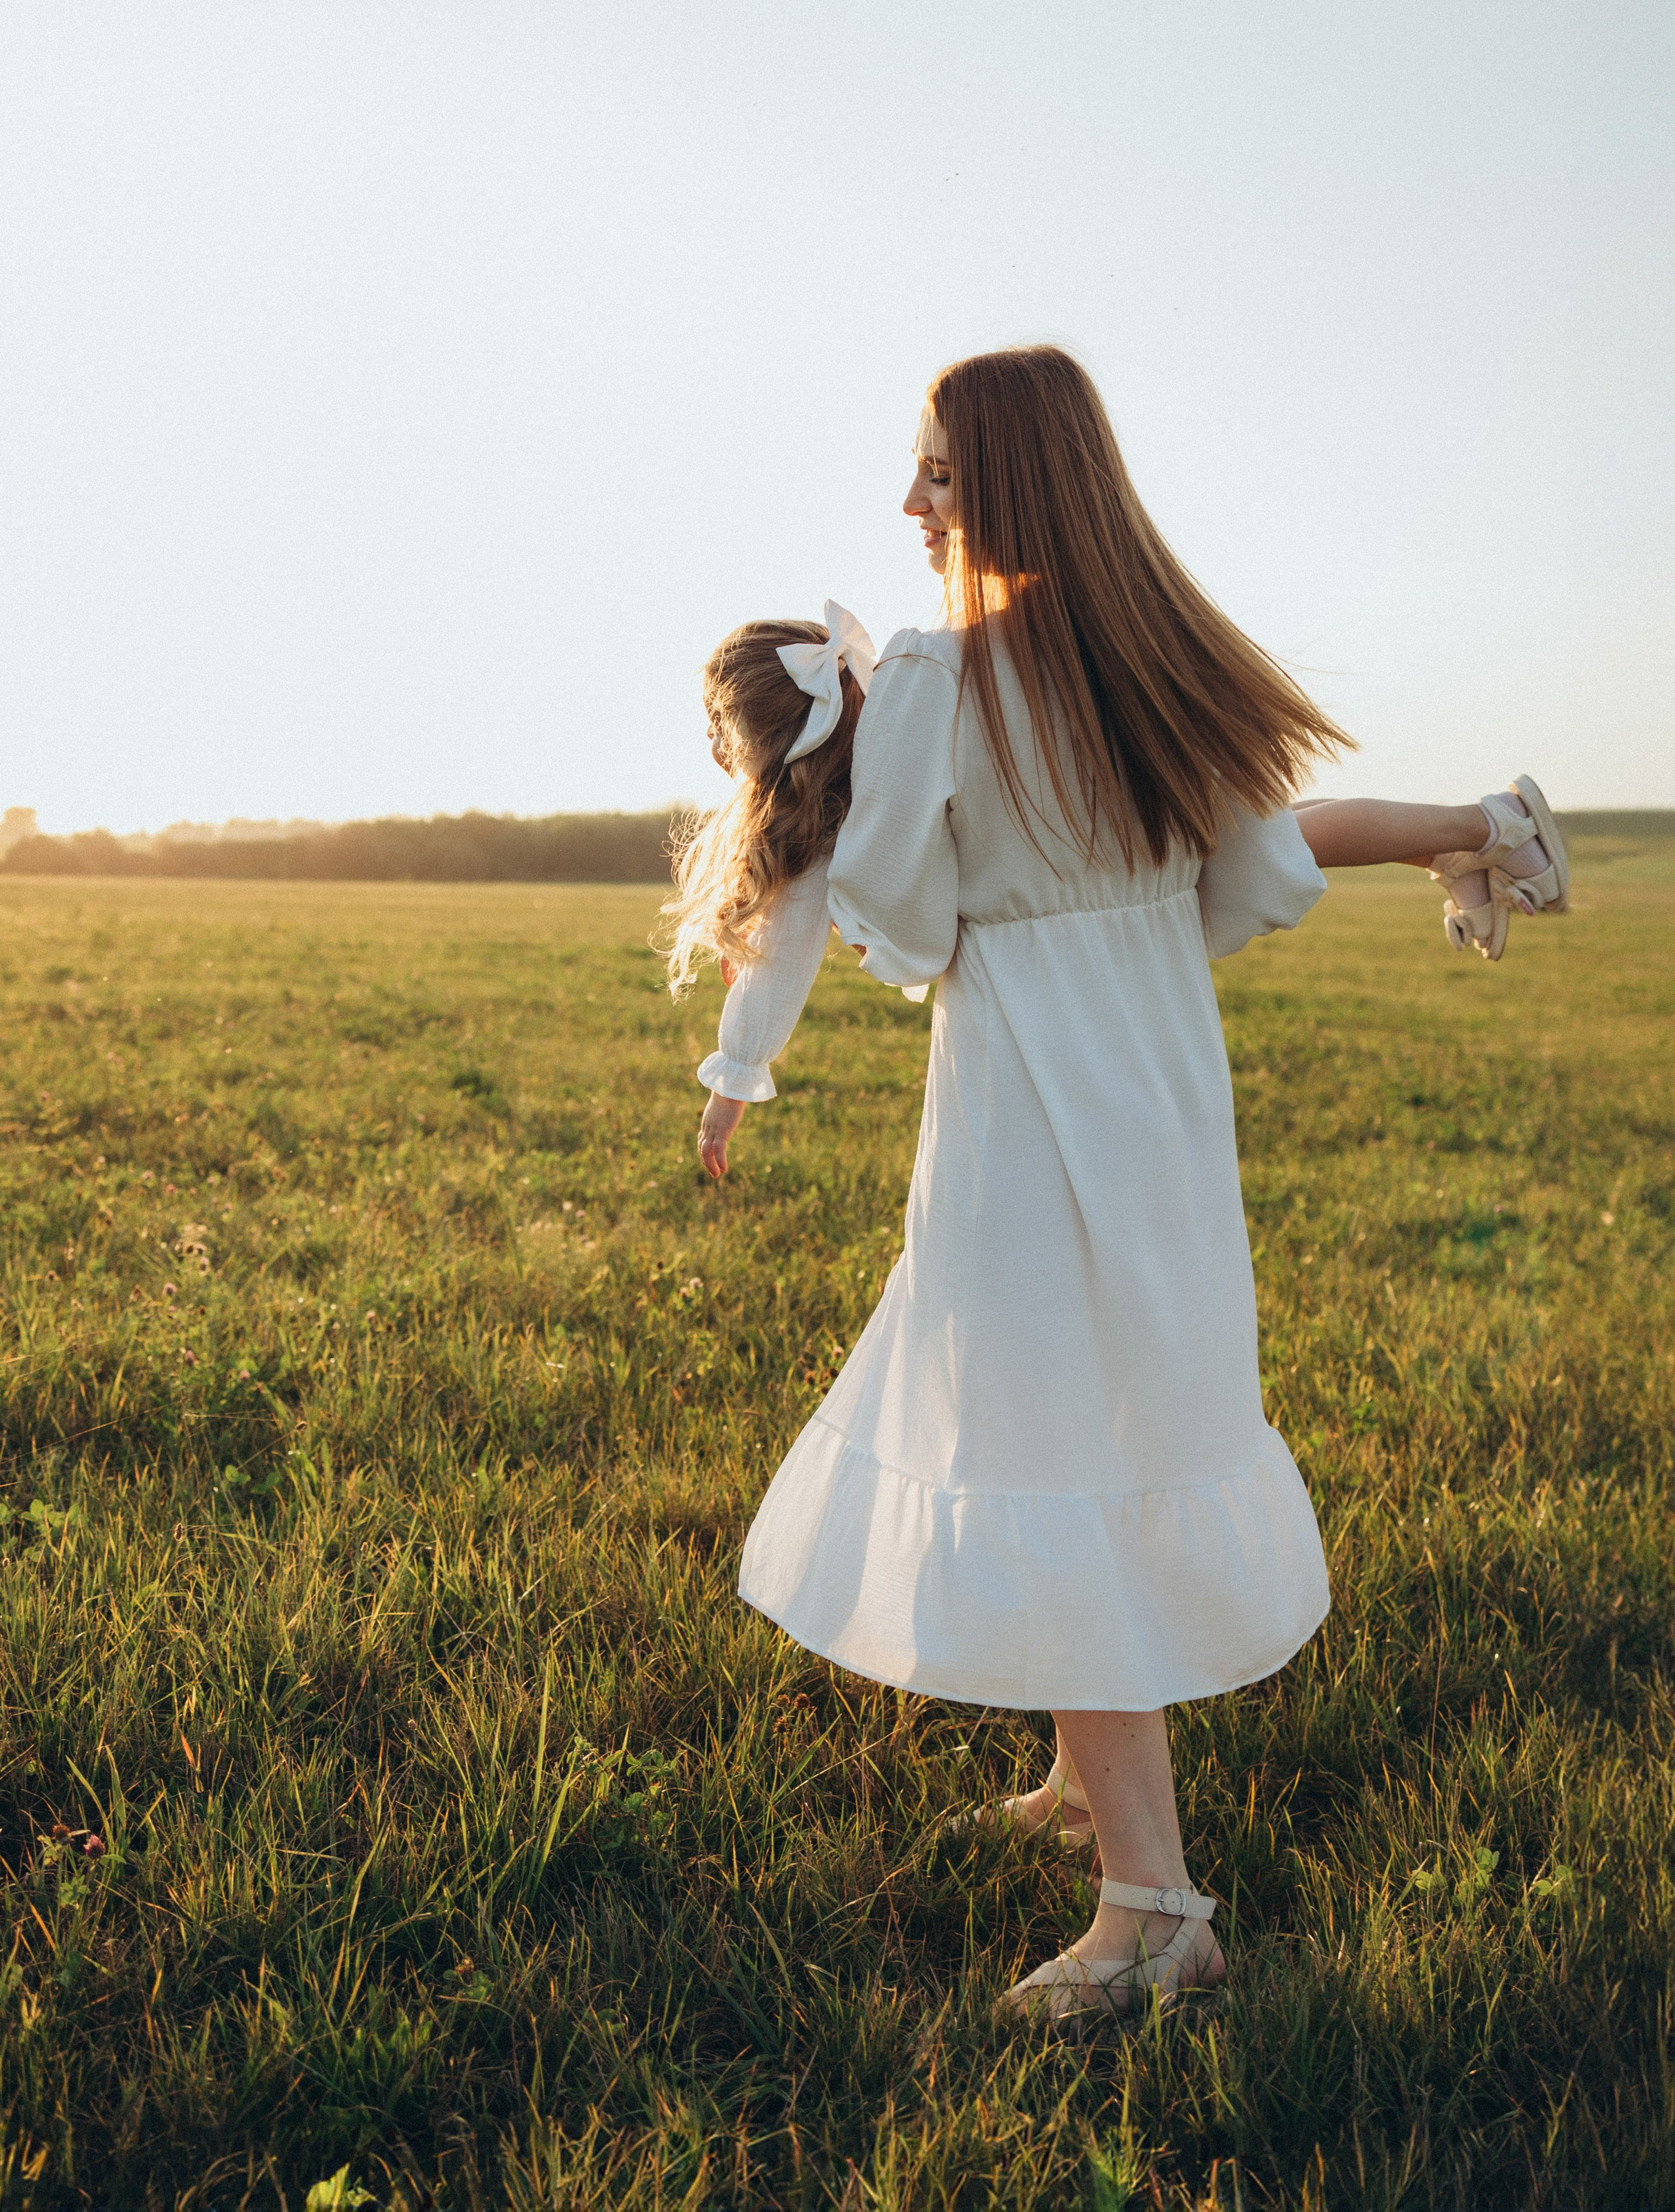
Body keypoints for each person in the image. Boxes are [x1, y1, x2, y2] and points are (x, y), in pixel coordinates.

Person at [661, 346, 1568, 2022]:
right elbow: (1252, 878)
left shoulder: (939, 673)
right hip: (1155, 1084)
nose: (911, 503)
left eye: (935, 473)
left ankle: (1153, 1911)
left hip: (1028, 1099)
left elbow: (911, 924)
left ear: (1001, 485)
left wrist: (877, 862)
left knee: (1036, 1438)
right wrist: (1121, 921)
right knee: (1103, 1411)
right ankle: (1094, 1781)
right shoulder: (1142, 663)